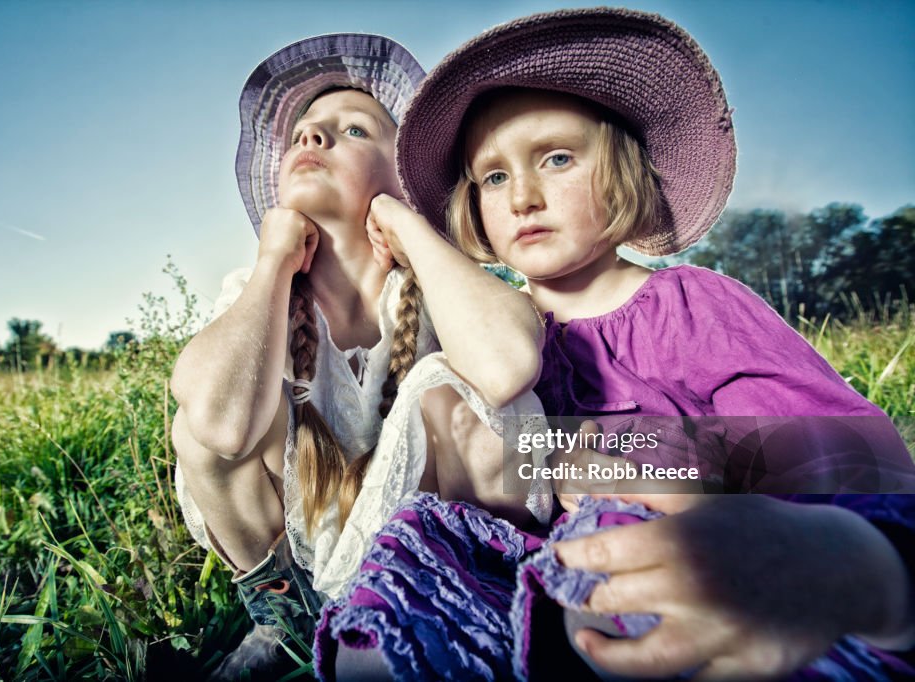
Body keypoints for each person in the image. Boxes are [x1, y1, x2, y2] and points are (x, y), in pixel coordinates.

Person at [318, 7, 915, 680]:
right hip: (522, 572)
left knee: (621, 561)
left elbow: (859, 453)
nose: (523, 197)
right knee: (397, 589)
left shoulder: (691, 305)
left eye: (558, 158)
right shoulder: (488, 329)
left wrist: (658, 459)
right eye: (493, 177)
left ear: (627, 170)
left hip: (685, 551)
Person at [170, 33, 543, 677]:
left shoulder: (435, 284)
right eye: (305, 134)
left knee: (443, 382)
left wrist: (411, 229)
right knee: (197, 425)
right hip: (307, 538)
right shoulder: (262, 293)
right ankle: (283, 618)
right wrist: (273, 261)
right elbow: (219, 426)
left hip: (424, 547)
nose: (313, 140)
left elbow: (509, 365)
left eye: (353, 131)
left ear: (401, 179)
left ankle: (459, 596)